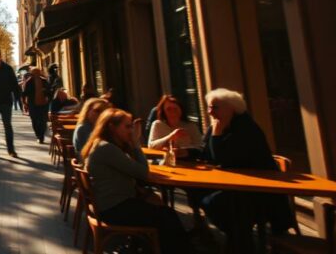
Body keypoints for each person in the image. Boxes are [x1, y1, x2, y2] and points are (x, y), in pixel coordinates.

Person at [83, 108, 192, 253]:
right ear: (111, 127)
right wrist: (135, 144)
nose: (131, 130)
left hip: (108, 204)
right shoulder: (107, 149)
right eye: (127, 126)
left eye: (131, 126)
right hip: (114, 209)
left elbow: (134, 170)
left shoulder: (103, 144)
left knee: (163, 211)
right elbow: (142, 172)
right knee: (167, 217)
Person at [200, 88, 294, 240]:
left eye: (215, 107)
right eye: (209, 107)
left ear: (232, 108)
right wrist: (186, 153)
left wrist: (216, 136)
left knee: (213, 202)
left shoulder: (246, 128)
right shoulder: (220, 124)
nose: (210, 112)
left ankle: (239, 239)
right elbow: (206, 153)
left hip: (259, 191)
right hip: (236, 186)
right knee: (199, 194)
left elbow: (223, 159)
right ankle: (235, 237)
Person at [22, 67, 52, 143]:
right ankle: (38, 135)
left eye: (37, 73)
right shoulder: (29, 82)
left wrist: (46, 92)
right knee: (34, 120)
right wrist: (25, 103)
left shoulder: (44, 81)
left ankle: (41, 136)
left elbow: (50, 92)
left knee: (43, 121)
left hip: (43, 104)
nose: (36, 74)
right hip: (33, 105)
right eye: (34, 73)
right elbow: (24, 93)